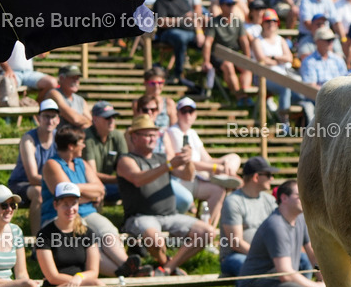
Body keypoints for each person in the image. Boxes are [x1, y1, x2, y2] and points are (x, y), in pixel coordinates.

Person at [116, 114, 215, 276]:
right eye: (147, 135)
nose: (152, 139)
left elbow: (187, 176)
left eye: (154, 135)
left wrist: (188, 160)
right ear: (134, 137)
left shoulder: (162, 158)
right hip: (141, 216)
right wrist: (168, 165)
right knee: (156, 239)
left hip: (170, 215)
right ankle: (167, 264)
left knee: (208, 232)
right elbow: (138, 179)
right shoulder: (126, 160)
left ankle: (168, 267)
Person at [41, 124, 139, 277]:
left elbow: (100, 189)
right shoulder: (51, 165)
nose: (84, 145)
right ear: (71, 146)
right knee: (87, 239)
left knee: (107, 231)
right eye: (81, 142)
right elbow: (65, 195)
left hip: (87, 211)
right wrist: (89, 193)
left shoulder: (81, 163)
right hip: (63, 214)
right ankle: (121, 274)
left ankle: (128, 265)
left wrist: (77, 189)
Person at [167, 97, 242, 228]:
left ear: (195, 114)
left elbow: (206, 158)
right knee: (218, 191)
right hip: (184, 179)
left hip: (200, 176)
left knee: (234, 158)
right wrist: (216, 168)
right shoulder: (174, 132)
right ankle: (206, 231)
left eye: (191, 111)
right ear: (178, 113)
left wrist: (226, 162)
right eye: (184, 111)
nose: (187, 115)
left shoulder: (192, 133)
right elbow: (187, 162)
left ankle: (223, 178)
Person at [7, 99, 60, 237]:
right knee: (39, 192)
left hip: (49, 184)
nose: (50, 120)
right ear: (38, 118)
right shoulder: (28, 139)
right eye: (46, 116)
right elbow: (32, 177)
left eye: (53, 116)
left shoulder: (59, 138)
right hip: (21, 184)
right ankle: (39, 242)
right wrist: (59, 184)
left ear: (58, 120)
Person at [219, 156, 279, 277]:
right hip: (235, 256)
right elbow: (236, 242)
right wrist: (265, 256)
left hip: (267, 255)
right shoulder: (233, 201)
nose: (272, 179)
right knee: (250, 268)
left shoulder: (270, 200)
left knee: (302, 260)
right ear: (256, 177)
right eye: (268, 175)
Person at [83, 101, 128, 202]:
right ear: (94, 119)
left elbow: (126, 164)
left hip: (109, 184)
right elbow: (92, 174)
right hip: (89, 184)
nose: (112, 121)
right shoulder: (86, 137)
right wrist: (118, 180)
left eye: (113, 117)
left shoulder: (118, 136)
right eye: (107, 117)